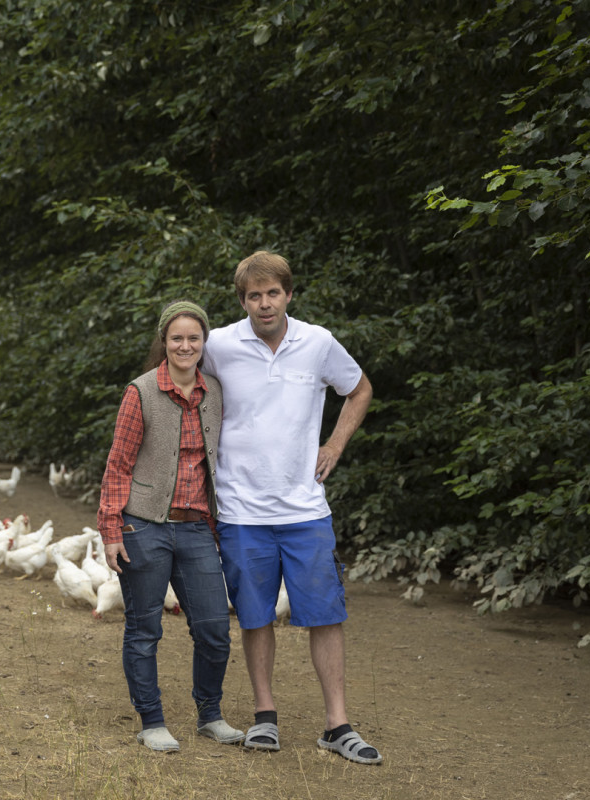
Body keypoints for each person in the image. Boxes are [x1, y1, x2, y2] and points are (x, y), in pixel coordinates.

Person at [200, 251, 383, 765]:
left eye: (272, 293)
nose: (264, 303)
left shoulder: (318, 342)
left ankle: (337, 725)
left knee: (325, 616)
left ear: (288, 294)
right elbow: (182, 382)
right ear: (242, 301)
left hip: (305, 508)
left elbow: (360, 389)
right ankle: (265, 717)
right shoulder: (219, 345)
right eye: (254, 295)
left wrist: (336, 445)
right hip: (241, 509)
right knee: (255, 617)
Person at [97, 300, 244, 753]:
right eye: (176, 338)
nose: (185, 345)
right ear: (164, 341)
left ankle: (210, 714)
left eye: (193, 338)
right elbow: (118, 465)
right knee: (144, 628)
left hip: (197, 526)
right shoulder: (139, 393)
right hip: (145, 526)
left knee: (215, 628)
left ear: (204, 343)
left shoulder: (215, 392)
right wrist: (111, 530)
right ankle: (152, 720)